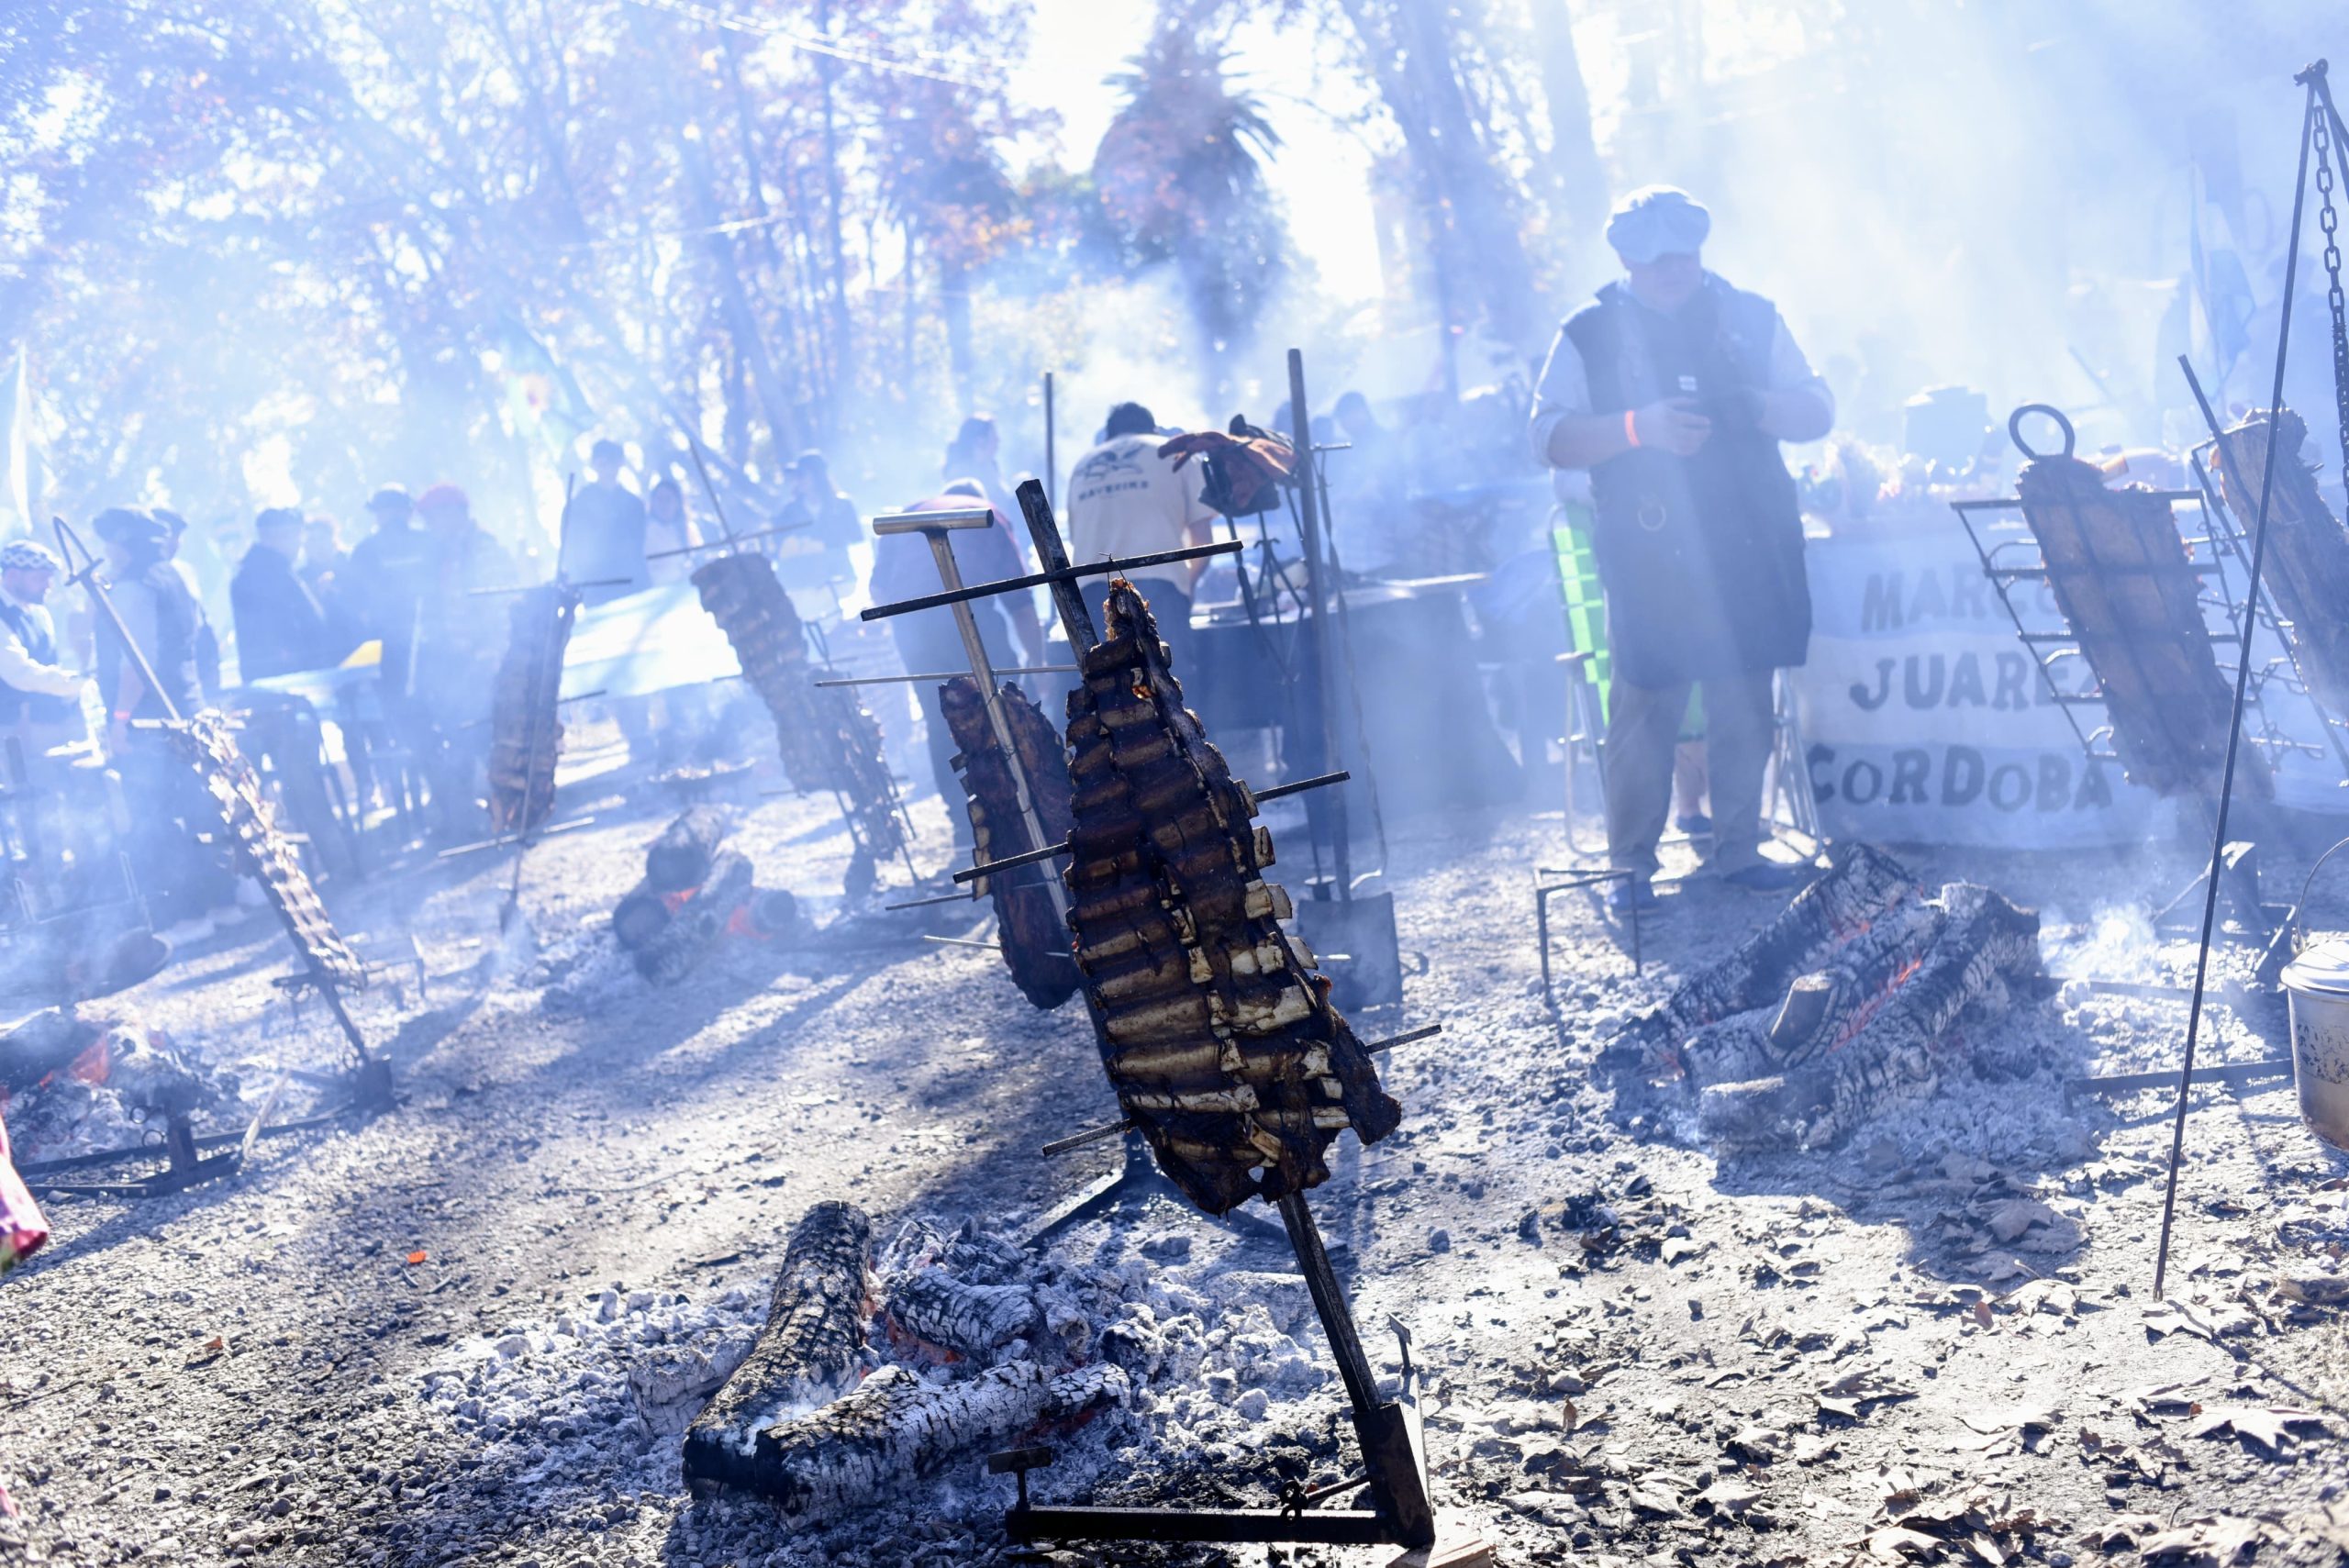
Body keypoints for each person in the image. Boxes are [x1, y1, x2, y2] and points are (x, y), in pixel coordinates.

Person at [1530, 185, 1833, 909]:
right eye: (1657, 256)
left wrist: (1757, 406)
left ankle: (1740, 849)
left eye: (1684, 253)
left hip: (1748, 542)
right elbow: (1547, 438)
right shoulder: (1589, 332)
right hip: (1649, 550)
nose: (1674, 267)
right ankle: (1630, 866)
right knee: (1645, 702)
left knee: (1745, 696)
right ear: (1628, 261)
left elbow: (1818, 408)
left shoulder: (1752, 316)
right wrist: (1639, 428)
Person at [869, 480, 1046, 838]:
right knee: (1003, 702)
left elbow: (878, 589)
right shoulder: (989, 513)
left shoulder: (909, 512)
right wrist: (1037, 663)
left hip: (912, 621)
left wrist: (915, 628)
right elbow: (1020, 602)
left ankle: (964, 821)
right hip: (970, 613)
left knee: (940, 718)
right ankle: (1023, 799)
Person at [1063, 400, 1218, 673]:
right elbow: (1202, 542)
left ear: (1110, 434)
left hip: (1091, 592)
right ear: (1152, 428)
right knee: (1170, 680)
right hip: (1161, 585)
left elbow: (1077, 538)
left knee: (1105, 685)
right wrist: (1185, 588)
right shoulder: (1175, 453)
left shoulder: (1082, 466)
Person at [0, 540, 90, 745]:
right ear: (12, 575)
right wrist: (77, 682)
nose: (48, 585)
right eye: (40, 578)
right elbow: (19, 674)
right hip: (6, 728)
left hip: (42, 725)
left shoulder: (39, 613)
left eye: (49, 578)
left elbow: (49, 662)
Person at [230, 507, 336, 681]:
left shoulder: (272, 571)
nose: (299, 544)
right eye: (295, 536)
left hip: (285, 678)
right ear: (277, 536)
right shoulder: (265, 575)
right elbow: (283, 628)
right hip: (287, 679)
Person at [561, 438, 649, 603]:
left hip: (634, 585)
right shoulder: (578, 507)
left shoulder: (634, 504)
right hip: (596, 590)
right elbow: (570, 550)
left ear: (620, 463)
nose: (608, 468)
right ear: (594, 465)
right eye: (603, 462)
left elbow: (640, 546)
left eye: (613, 461)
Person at [774, 450, 863, 593]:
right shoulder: (788, 511)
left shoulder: (842, 506)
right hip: (804, 581)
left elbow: (856, 537)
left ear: (817, 476)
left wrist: (825, 544)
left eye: (802, 475)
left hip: (840, 577)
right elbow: (778, 544)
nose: (798, 480)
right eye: (796, 476)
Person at [943, 415, 1019, 529]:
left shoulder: (991, 467)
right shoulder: (960, 473)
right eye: (994, 436)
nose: (998, 440)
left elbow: (1004, 505)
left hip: (998, 528)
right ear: (980, 440)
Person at [644, 476, 702, 584]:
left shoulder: (690, 529)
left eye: (668, 499)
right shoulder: (646, 533)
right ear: (652, 503)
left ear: (678, 503)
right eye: (659, 499)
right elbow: (651, 571)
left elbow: (699, 558)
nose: (663, 505)